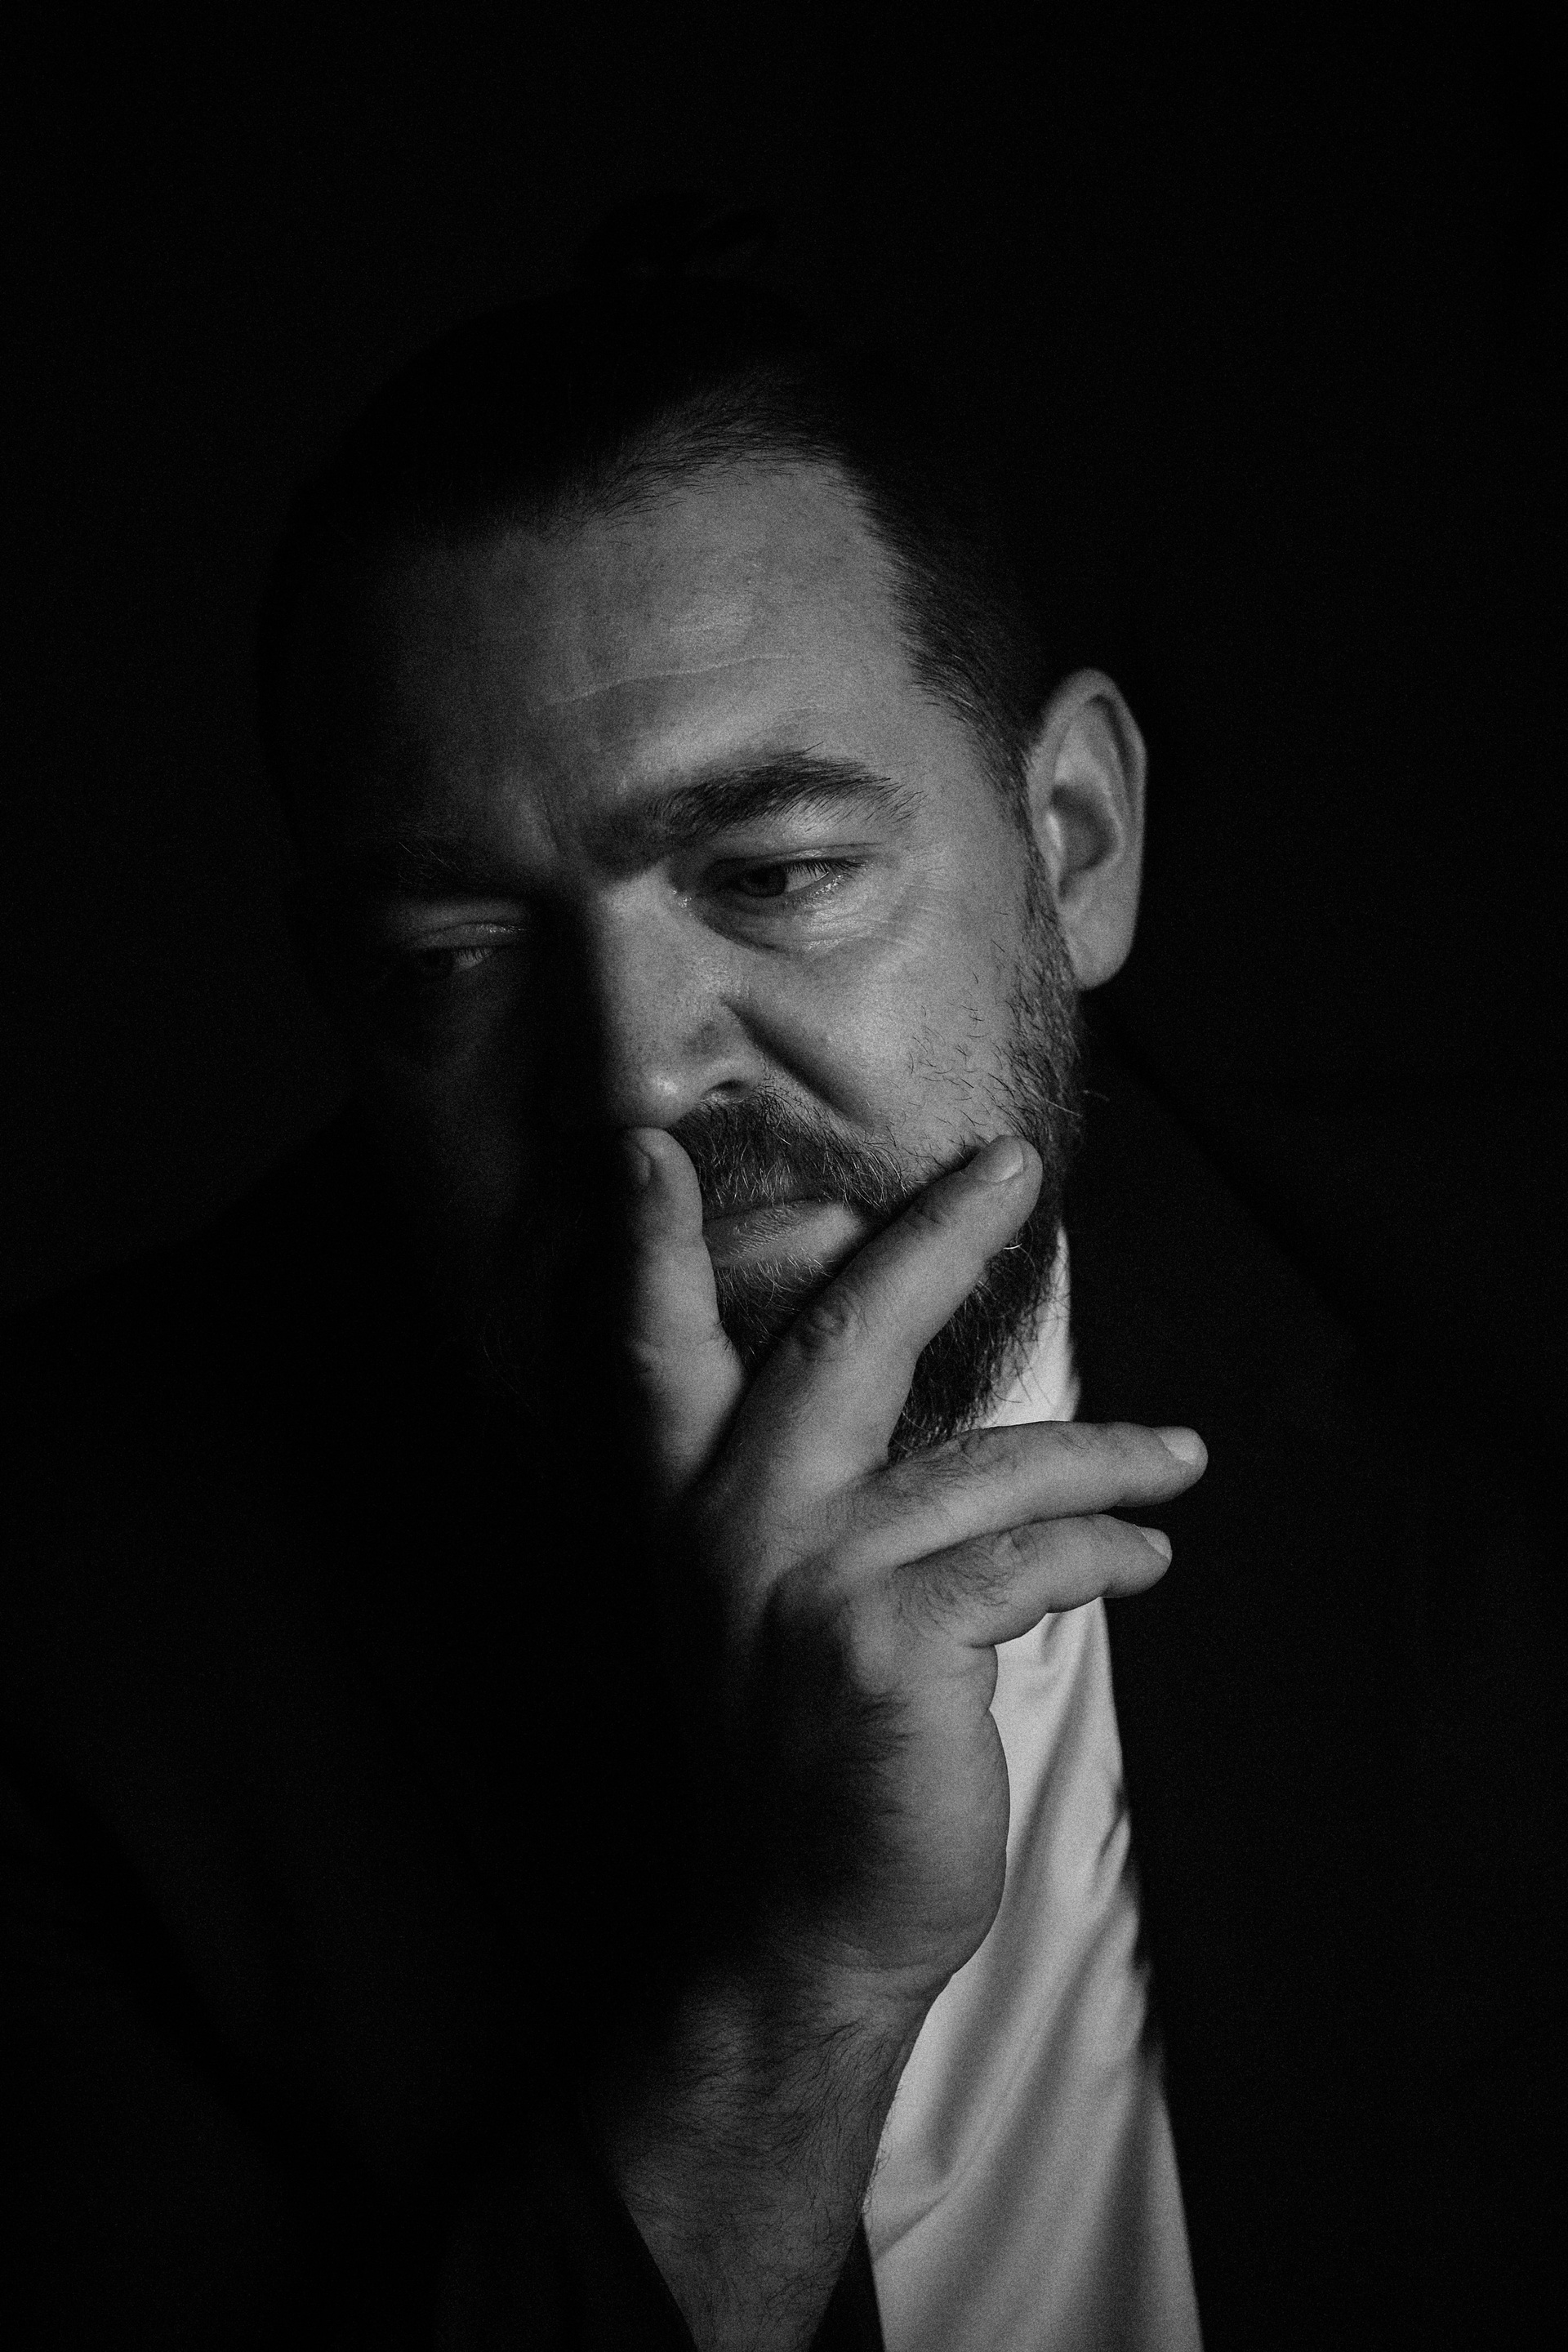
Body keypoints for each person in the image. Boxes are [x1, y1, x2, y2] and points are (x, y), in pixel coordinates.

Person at [2, 224, 1556, 2351]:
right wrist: (799, 1984)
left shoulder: (1502, 1384)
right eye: (454, 960)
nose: (635, 1075)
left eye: (778, 875)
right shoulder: (78, 1619)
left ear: (1074, 843)